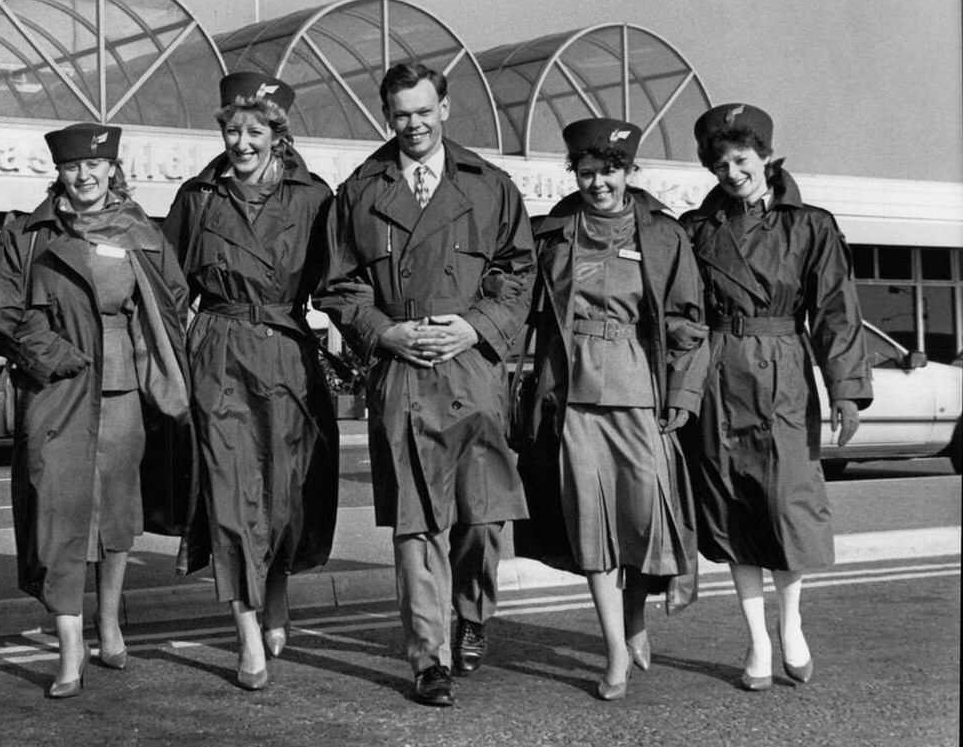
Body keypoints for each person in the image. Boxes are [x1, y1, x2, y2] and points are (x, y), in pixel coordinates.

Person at [315, 61, 534, 707]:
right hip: (402, 370)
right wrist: (384, 332)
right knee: (416, 519)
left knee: (479, 515)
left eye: (422, 110)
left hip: (471, 365)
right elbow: (339, 285)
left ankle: (471, 612)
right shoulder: (359, 190)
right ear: (387, 115)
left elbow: (517, 273)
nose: (411, 124)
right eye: (399, 114)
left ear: (444, 107)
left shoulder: (490, 186)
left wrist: (474, 328)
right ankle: (428, 656)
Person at [0, 122, 195, 699]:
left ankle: (109, 623)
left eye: (95, 166)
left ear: (111, 169)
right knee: (58, 511)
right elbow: (2, 309)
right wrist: (57, 355)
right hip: (55, 384)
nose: (85, 176)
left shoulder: (139, 231)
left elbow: (172, 302)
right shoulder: (26, 232)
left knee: (118, 513)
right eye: (74, 167)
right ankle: (70, 649)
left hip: (123, 387)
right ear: (60, 171)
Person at [512, 118, 707, 701]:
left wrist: (682, 394)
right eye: (588, 172)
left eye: (611, 171)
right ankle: (615, 650)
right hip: (571, 393)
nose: (599, 183)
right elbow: (519, 304)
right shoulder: (548, 233)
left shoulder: (664, 236)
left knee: (644, 515)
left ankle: (636, 614)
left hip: (640, 387)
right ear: (575, 173)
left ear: (629, 172)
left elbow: (688, 324)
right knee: (590, 521)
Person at [681, 103, 871, 690]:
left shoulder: (811, 225)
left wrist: (846, 390)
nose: (731, 171)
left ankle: (791, 625)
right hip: (719, 375)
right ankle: (757, 642)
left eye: (741, 159)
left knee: (786, 502)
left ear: (766, 157)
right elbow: (680, 312)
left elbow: (836, 311)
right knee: (733, 506)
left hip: (785, 373)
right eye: (719, 162)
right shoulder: (695, 229)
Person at [163, 72, 339, 690]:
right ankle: (245, 634)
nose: (241, 142)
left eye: (254, 131)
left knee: (287, 491)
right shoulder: (198, 197)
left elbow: (340, 283)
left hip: (289, 355)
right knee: (233, 492)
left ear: (277, 135)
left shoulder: (314, 198)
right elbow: (166, 284)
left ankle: (279, 585)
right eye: (232, 130)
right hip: (220, 353)